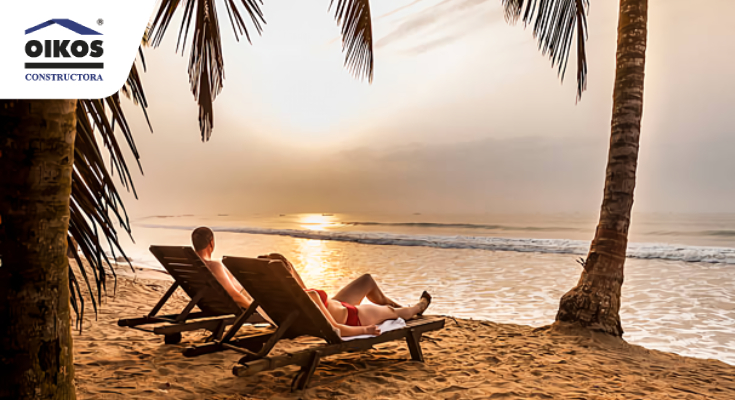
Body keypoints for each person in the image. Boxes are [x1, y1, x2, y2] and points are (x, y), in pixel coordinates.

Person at [260, 253, 432, 338]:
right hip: (353, 316)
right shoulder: (310, 296)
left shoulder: (277, 296)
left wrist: (287, 269)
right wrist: (365, 330)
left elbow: (299, 288)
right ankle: (418, 307)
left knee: (367, 280)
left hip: (337, 305)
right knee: (392, 312)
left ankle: (394, 304)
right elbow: (336, 329)